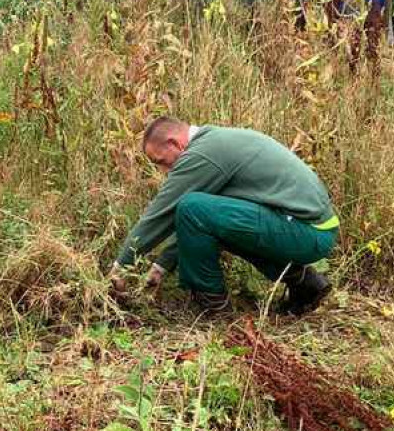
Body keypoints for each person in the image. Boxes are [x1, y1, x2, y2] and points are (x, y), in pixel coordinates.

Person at [109, 117, 338, 316]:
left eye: (160, 161)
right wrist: (161, 266)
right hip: (309, 229)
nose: (164, 171)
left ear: (174, 143)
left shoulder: (203, 154)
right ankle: (305, 285)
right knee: (206, 214)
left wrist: (120, 267)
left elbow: (160, 214)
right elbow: (198, 223)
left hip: (308, 231)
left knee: (191, 206)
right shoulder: (213, 143)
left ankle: (214, 305)